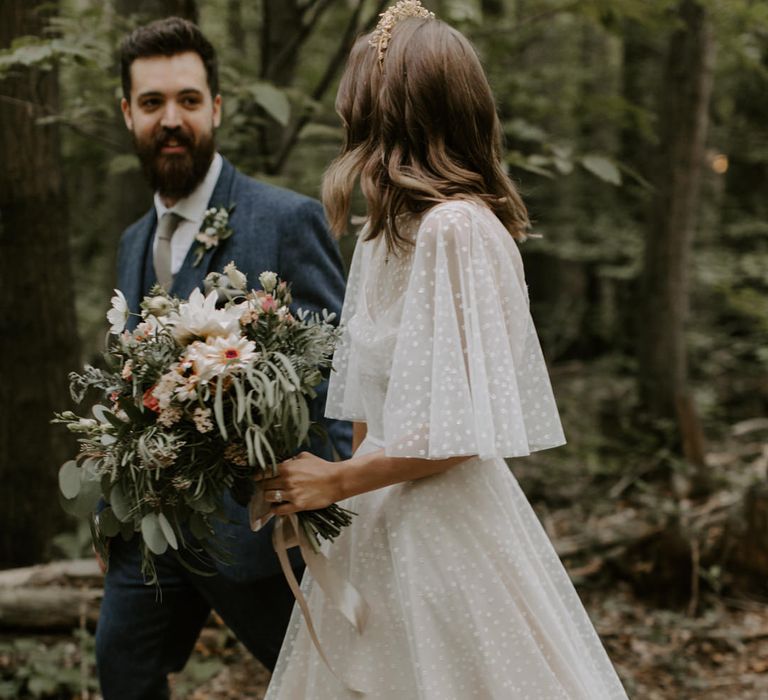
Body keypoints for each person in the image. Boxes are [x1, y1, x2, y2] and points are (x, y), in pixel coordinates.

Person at [260, 2, 629, 698]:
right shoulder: (381, 235)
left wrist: (336, 482)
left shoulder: (458, 230)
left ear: (395, 111)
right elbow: (368, 412)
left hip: (448, 532)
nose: (349, 123)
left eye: (359, 107)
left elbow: (465, 435)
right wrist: (336, 499)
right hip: (374, 521)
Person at [94, 17, 352, 700]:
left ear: (216, 107)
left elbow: (337, 372)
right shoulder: (130, 241)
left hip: (258, 536)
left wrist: (326, 505)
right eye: (152, 104)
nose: (170, 119)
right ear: (128, 114)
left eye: (187, 99)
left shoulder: (284, 220)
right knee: (122, 670)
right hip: (152, 536)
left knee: (324, 683)